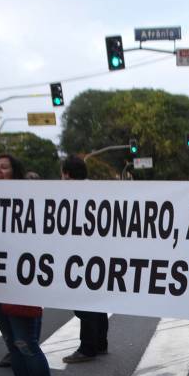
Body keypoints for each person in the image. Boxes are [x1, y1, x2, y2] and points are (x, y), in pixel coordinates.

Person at [0, 154, 58, 376]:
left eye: (4, 168)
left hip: (23, 282)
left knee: (26, 344)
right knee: (12, 344)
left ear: (16, 173)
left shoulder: (32, 200)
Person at [60, 155, 109, 364]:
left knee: (84, 303)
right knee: (96, 301)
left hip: (82, 255)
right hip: (99, 253)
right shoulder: (97, 190)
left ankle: (88, 347)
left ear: (66, 174)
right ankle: (99, 343)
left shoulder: (71, 193)